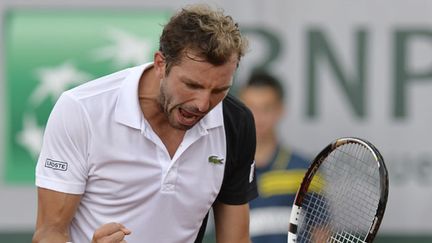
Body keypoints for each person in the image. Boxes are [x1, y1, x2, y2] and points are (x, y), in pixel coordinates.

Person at [32, 4, 258, 243]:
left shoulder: (236, 122)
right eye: (192, 85)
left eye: (220, 90)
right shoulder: (80, 109)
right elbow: (49, 234)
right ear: (161, 64)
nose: (203, 104)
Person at [238, 71, 310, 243]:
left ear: (280, 110)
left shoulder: (306, 170)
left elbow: (321, 234)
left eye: (266, 109)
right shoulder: (227, 171)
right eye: (251, 108)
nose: (258, 117)